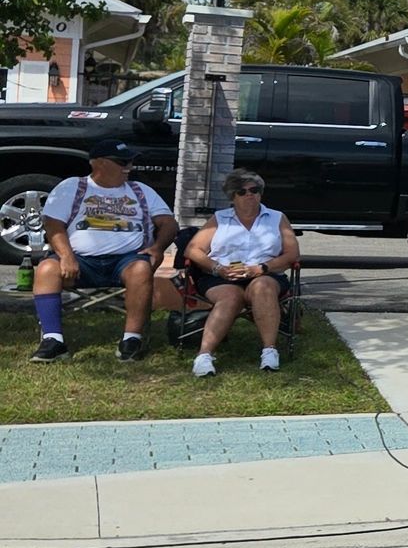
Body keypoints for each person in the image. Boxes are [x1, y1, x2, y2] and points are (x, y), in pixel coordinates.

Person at [30, 139, 177, 362]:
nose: (129, 167)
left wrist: (157, 248)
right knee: (46, 268)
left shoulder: (141, 191)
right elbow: (53, 225)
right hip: (80, 261)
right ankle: (53, 340)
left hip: (126, 260)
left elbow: (169, 223)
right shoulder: (72, 187)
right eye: (122, 161)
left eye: (130, 161)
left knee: (140, 268)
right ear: (98, 163)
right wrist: (67, 255)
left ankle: (132, 339)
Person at [181, 168, 300, 377]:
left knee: (263, 287)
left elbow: (292, 253)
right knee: (230, 297)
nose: (249, 195)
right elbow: (192, 249)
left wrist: (261, 268)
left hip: (264, 273)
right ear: (232, 196)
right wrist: (218, 268)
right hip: (222, 275)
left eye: (254, 190)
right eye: (242, 192)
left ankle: (269, 351)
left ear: (261, 193)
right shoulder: (220, 218)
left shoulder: (277, 218)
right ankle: (204, 356)